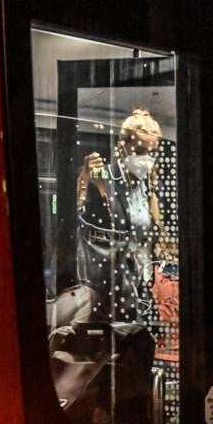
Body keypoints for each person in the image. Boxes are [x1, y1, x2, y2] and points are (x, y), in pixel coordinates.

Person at [75, 107, 167, 323]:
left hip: (140, 284)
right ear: (121, 147)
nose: (146, 159)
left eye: (152, 153)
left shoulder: (152, 185)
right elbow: (82, 213)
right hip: (106, 286)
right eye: (140, 151)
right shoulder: (103, 177)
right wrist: (86, 178)